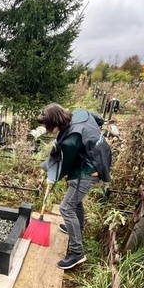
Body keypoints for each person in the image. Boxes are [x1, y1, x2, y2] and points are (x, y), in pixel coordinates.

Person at [38, 103, 104, 270]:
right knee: (75, 202)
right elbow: (99, 119)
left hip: (88, 170)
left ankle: (77, 252)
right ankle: (76, 229)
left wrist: (52, 178)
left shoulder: (71, 141)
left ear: (55, 122)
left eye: (47, 125)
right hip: (98, 159)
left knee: (66, 208)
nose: (46, 129)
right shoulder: (80, 113)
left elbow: (64, 166)